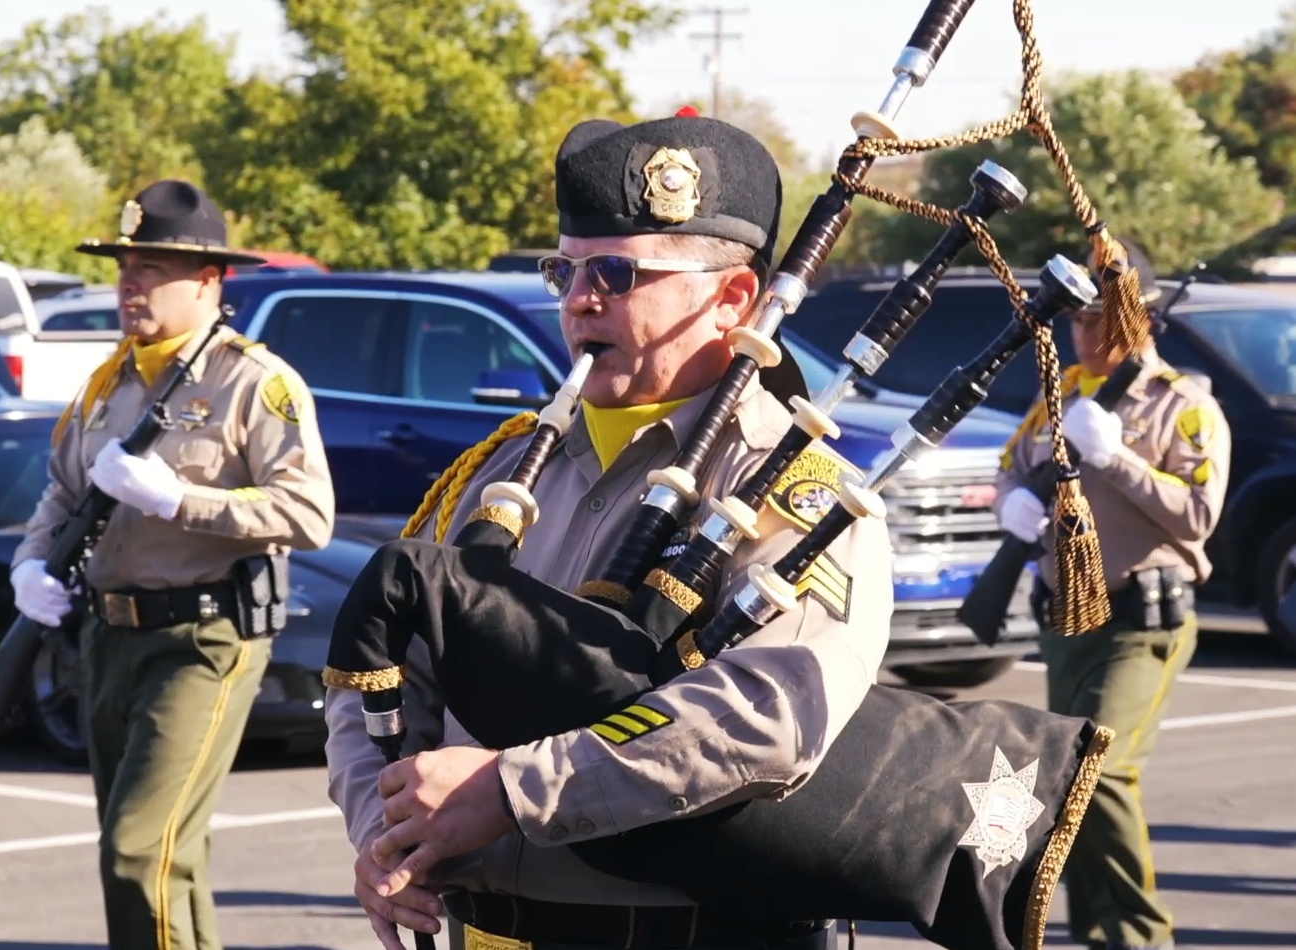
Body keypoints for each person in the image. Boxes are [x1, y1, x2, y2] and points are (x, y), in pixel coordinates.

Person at [325, 111, 894, 950]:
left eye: (621, 274)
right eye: (567, 269)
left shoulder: (787, 483)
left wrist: (513, 790)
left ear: (735, 299)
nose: (579, 299)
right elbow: (387, 672)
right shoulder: (498, 472)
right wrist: (383, 819)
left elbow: (768, 713)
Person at [9, 179, 335, 950]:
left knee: (136, 849)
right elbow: (59, 494)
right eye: (127, 264)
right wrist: (29, 568)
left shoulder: (254, 382)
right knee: (164, 857)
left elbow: (308, 514)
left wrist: (178, 499)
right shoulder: (107, 382)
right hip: (108, 636)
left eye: (154, 266)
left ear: (210, 282)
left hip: (204, 639)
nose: (132, 281)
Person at [992, 246, 1230, 950]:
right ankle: (1094, 931)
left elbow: (1197, 518)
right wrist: (1012, 509)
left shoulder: (1185, 407)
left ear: (1142, 321)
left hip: (1140, 621)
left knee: (1101, 771)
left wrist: (1118, 460)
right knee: (1070, 783)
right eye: (1079, 321)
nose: (1087, 336)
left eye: (1102, 321)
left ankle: (1139, 936)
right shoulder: (1059, 394)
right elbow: (1014, 468)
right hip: (1067, 618)